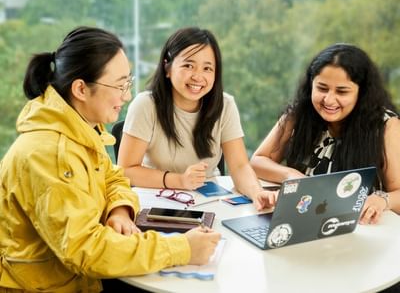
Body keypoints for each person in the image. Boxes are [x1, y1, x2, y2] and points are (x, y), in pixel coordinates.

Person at [0, 26, 220, 292]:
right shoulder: (50, 155)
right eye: (119, 85)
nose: (126, 96)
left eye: (127, 84)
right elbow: (86, 251)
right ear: (81, 89)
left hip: (80, 277)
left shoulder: (80, 129)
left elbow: (113, 176)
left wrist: (119, 210)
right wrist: (183, 249)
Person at [118, 27, 276, 211]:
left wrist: (257, 192)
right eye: (188, 65)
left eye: (207, 68)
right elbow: (126, 170)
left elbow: (240, 167)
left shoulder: (225, 105)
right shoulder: (146, 105)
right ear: (167, 68)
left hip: (209, 202)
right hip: (157, 200)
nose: (198, 76)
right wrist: (180, 181)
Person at [250, 43, 400, 225]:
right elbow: (258, 161)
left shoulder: (386, 125)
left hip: (362, 228)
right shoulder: (298, 114)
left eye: (342, 91)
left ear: (361, 93)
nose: (329, 100)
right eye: (321, 88)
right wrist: (291, 175)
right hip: (304, 222)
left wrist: (383, 200)